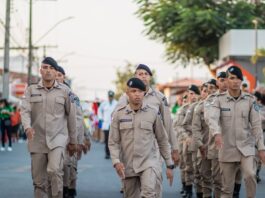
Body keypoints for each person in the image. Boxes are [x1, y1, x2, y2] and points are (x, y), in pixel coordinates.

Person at [21, 57, 77, 198]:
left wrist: (73, 141)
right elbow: (25, 110)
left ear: (56, 72)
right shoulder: (31, 90)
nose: (48, 71)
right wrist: (27, 127)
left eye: (52, 68)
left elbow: (71, 116)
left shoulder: (65, 91)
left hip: (57, 140)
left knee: (54, 171)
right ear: (40, 70)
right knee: (39, 181)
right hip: (37, 140)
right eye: (45, 67)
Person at [108, 77, 174, 197]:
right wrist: (116, 161)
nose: (137, 94)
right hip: (128, 164)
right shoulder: (119, 114)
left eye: (140, 91)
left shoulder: (153, 113)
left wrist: (169, 164)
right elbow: (113, 142)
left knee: (148, 193)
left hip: (149, 162)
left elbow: (162, 140)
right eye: (133, 91)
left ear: (144, 93)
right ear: (127, 93)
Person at [208, 66, 265, 198]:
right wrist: (216, 133)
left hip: (246, 147)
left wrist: (261, 148)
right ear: (227, 80)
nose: (235, 81)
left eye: (238, 78)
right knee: (227, 189)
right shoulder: (218, 100)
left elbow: (256, 126)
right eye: (232, 78)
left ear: (241, 80)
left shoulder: (250, 100)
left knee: (250, 175)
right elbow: (212, 118)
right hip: (226, 148)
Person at [181, 84, 200, 198]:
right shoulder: (185, 108)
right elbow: (180, 125)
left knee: (199, 169)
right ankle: (188, 189)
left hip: (201, 140)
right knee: (188, 166)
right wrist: (186, 137)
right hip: (188, 139)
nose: (191, 96)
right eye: (189, 93)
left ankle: (200, 191)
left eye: (193, 93)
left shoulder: (203, 106)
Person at [98, 90, 117, 159]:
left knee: (113, 140)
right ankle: (107, 153)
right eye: (109, 96)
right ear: (108, 96)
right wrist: (100, 118)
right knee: (107, 140)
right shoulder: (104, 103)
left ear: (113, 96)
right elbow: (99, 110)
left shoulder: (116, 103)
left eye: (111, 97)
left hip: (114, 124)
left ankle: (113, 154)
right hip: (106, 123)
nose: (110, 98)